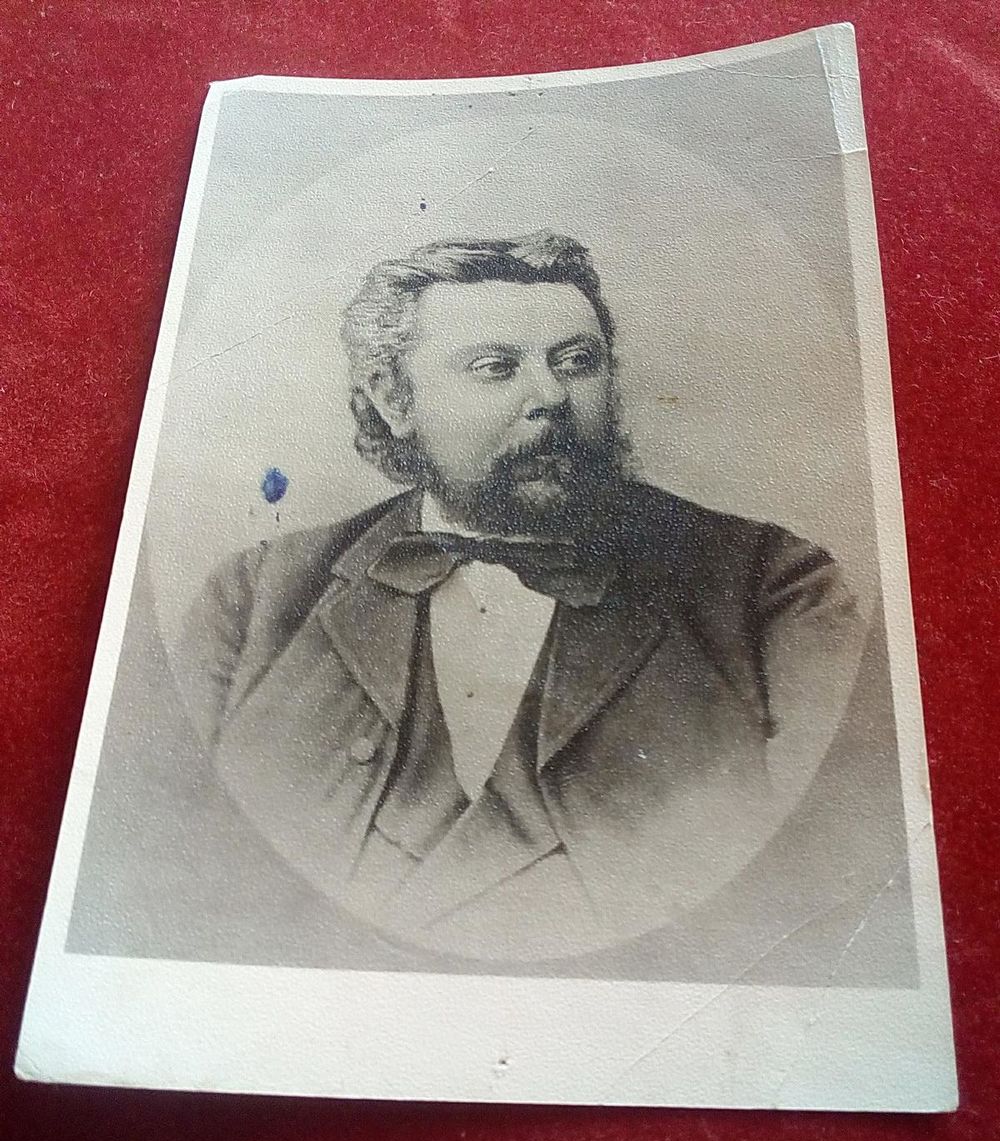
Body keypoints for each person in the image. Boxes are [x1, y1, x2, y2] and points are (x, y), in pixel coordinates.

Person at [177, 231, 862, 964]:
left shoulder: (773, 588)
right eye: (496, 368)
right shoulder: (257, 596)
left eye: (577, 362)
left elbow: (827, 872)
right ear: (394, 399)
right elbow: (187, 874)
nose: (552, 398)